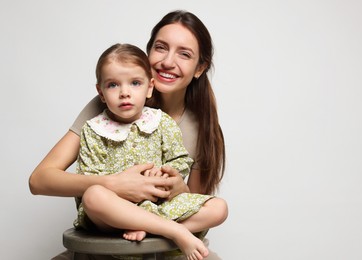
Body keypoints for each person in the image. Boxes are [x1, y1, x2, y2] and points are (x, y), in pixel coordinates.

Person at [29, 10, 228, 260]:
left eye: (184, 54)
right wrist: (113, 183)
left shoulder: (200, 126)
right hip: (108, 223)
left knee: (217, 207)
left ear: (199, 68)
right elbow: (39, 180)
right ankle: (163, 230)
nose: (168, 61)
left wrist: (179, 188)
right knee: (95, 196)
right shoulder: (108, 108)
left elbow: (194, 202)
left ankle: (156, 230)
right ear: (148, 53)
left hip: (159, 226)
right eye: (161, 47)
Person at [73, 42, 225, 260]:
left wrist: (166, 173)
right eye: (113, 85)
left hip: (157, 205)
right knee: (93, 195)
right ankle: (174, 230)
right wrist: (118, 185)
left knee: (219, 208)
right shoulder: (94, 129)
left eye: (135, 83)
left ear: (149, 87)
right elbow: (89, 175)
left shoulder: (161, 122)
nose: (125, 93)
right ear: (101, 93)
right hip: (113, 215)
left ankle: (150, 228)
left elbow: (180, 160)